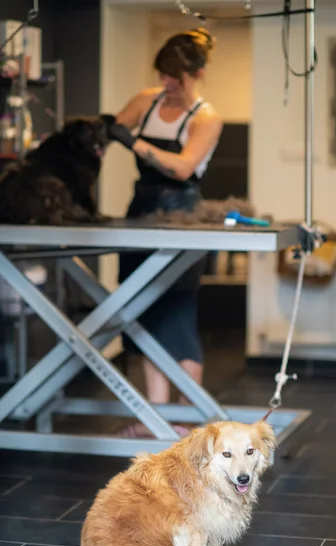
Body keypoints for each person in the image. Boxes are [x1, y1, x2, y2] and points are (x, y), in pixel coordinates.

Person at [103, 28, 223, 436]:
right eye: (164, 74)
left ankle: (191, 420)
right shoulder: (146, 100)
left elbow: (184, 166)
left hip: (181, 215)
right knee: (144, 310)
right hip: (141, 211)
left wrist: (134, 144)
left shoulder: (206, 117)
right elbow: (108, 132)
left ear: (197, 73)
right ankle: (156, 417)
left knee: (178, 311)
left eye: (177, 76)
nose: (169, 83)